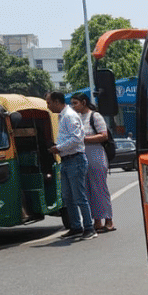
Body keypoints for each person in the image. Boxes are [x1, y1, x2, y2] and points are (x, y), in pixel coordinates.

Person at [47, 92, 94, 240]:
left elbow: (76, 138)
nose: (48, 106)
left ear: (56, 102)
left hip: (75, 159)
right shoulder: (62, 116)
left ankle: (89, 228)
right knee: (68, 197)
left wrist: (59, 148)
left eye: (49, 103)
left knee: (79, 196)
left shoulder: (69, 116)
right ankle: (76, 227)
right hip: (66, 160)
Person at [70, 93, 114, 233]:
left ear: (83, 102)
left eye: (75, 103)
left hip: (95, 153)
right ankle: (97, 221)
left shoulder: (95, 116)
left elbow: (103, 135)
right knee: (87, 189)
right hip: (81, 154)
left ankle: (108, 220)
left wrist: (84, 139)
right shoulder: (76, 118)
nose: (73, 106)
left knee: (99, 187)